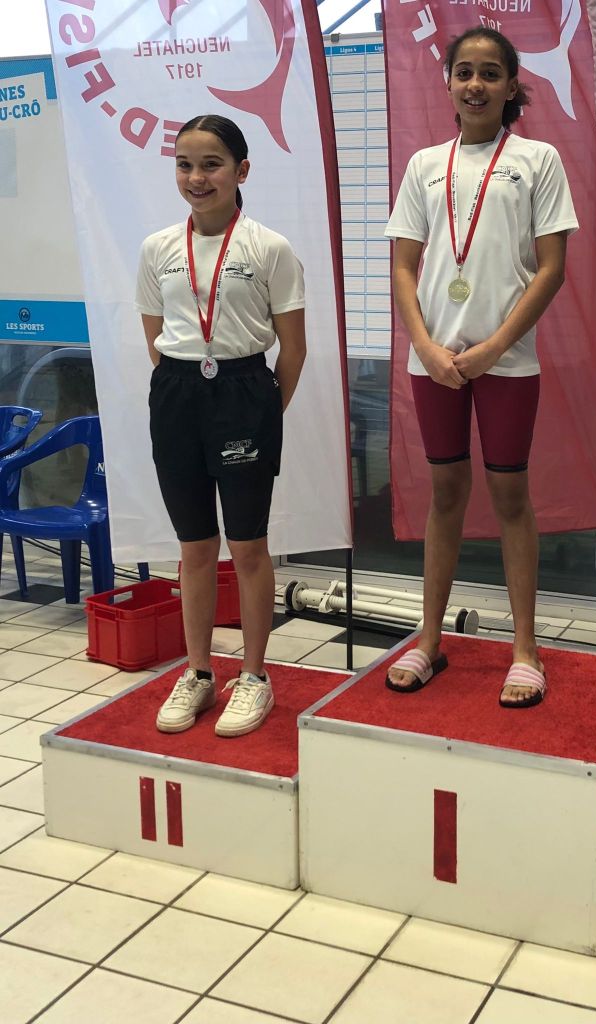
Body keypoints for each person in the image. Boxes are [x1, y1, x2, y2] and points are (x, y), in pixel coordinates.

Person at [383, 28, 577, 707]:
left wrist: (494, 346)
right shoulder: (424, 165)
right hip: (434, 361)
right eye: (464, 72)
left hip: (507, 360)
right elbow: (403, 267)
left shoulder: (537, 159)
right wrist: (426, 347)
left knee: (511, 499)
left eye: (490, 73)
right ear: (447, 82)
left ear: (511, 85)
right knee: (444, 495)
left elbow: (552, 269)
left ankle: (525, 650)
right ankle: (429, 638)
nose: (475, 85)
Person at [137, 114, 307, 737]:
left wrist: (260, 416)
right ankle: (200, 672)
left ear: (241, 171)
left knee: (249, 544)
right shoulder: (157, 248)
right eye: (185, 164)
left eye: (211, 164)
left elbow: (294, 350)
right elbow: (156, 339)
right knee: (194, 547)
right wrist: (186, 394)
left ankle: (255, 676)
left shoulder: (269, 248)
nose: (196, 177)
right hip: (177, 395)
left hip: (244, 393)